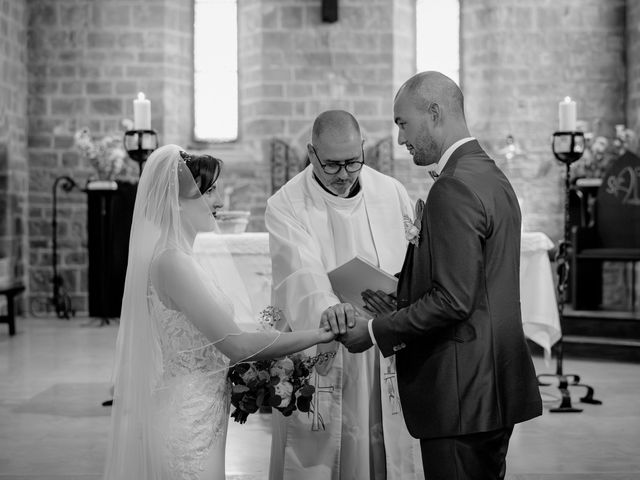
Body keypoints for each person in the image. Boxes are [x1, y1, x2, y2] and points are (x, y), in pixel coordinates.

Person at [331, 72, 543, 479]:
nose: (399, 139)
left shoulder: (454, 187)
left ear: (434, 112)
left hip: (461, 393)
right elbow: (474, 284)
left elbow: (453, 300)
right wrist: (403, 295)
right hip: (491, 386)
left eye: (402, 123)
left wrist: (374, 330)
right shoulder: (490, 175)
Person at [103, 145, 336, 480]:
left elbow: (216, 333)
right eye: (208, 192)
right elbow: (236, 346)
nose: (219, 202)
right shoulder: (172, 263)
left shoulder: (183, 258)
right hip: (187, 422)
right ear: (176, 201)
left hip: (204, 413)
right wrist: (319, 334)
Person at [266, 110, 424, 480]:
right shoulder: (286, 203)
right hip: (326, 342)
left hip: (381, 342)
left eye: (353, 162)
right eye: (332, 164)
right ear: (311, 152)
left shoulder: (390, 191)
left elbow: (411, 259)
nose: (343, 175)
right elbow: (299, 272)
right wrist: (329, 309)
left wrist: (401, 292)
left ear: (363, 149)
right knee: (328, 450)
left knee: (382, 443)